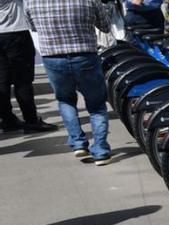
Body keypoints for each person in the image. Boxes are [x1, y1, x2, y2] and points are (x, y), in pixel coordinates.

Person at [24, 0, 112, 165]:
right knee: (97, 105)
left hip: (53, 57)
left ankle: (78, 143)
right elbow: (106, 26)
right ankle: (100, 150)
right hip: (85, 55)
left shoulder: (32, 2)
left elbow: (33, 27)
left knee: (65, 100)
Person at [0, 0, 54, 133]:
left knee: (2, 80)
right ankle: (31, 120)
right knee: (23, 80)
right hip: (15, 31)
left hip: (8, 32)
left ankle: (7, 119)